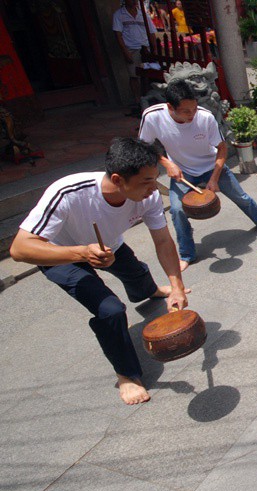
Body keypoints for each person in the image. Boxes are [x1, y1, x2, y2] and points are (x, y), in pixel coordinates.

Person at [9, 138, 189, 406]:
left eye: (155, 179)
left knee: (137, 274)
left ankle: (150, 291)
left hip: (108, 245)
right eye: (146, 182)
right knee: (111, 311)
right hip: (60, 256)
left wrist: (176, 286)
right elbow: (19, 249)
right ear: (118, 180)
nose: (154, 189)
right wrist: (82, 252)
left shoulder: (147, 195)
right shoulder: (69, 192)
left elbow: (163, 240)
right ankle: (126, 375)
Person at [139, 81, 257, 271]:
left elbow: (222, 148)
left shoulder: (205, 117)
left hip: (211, 166)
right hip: (182, 172)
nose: (192, 115)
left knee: (240, 196)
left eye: (193, 108)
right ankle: (187, 254)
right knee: (176, 210)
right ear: (170, 107)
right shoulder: (152, 117)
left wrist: (214, 178)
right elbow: (144, 146)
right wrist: (167, 163)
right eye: (185, 111)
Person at [112, 0, 157, 112]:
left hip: (146, 48)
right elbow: (118, 34)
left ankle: (150, 98)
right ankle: (138, 100)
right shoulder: (119, 15)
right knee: (134, 75)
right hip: (131, 49)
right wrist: (125, 52)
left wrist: (154, 50)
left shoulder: (143, 14)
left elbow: (152, 33)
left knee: (150, 73)